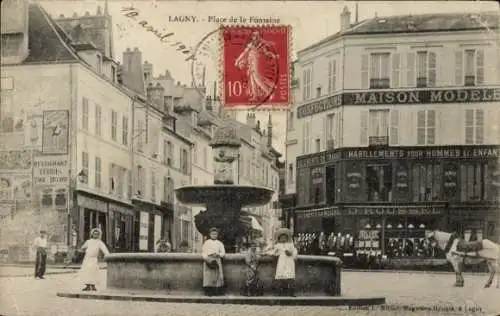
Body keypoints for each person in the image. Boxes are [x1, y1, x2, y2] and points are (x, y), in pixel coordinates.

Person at [234, 31, 279, 101]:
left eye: (255, 36)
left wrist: (274, 56)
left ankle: (269, 92)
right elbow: (244, 53)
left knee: (256, 78)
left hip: (254, 62)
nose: (254, 38)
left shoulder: (260, 45)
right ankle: (255, 96)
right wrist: (238, 60)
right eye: (253, 36)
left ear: (257, 37)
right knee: (252, 79)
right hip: (250, 62)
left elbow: (267, 53)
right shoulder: (251, 44)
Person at [267, 228, 298, 297]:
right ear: (279, 238)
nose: (283, 239)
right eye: (281, 237)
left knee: (290, 276)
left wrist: (291, 253)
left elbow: (295, 252)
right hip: (282, 261)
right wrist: (266, 253)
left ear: (287, 238)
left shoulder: (290, 245)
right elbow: (273, 252)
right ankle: (279, 292)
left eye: (285, 237)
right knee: (280, 275)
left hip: (289, 261)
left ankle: (291, 293)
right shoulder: (277, 245)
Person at [201, 227, 226, 296]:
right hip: (208, 260)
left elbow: (223, 253)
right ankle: (208, 291)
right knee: (208, 276)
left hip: (217, 259)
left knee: (217, 276)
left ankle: (217, 291)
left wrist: (218, 254)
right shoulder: (207, 242)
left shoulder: (220, 243)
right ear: (210, 234)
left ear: (217, 235)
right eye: (212, 234)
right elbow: (203, 252)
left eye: (215, 234)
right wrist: (207, 259)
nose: (214, 235)